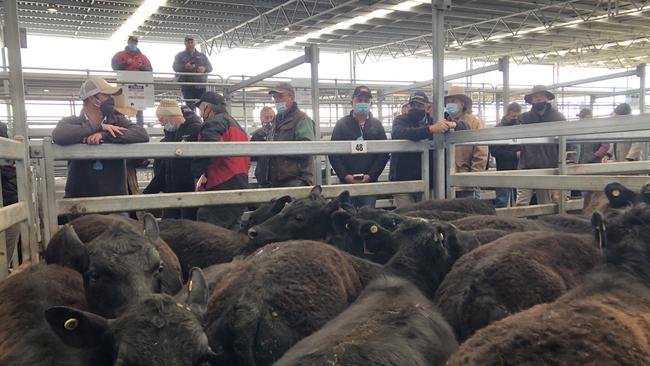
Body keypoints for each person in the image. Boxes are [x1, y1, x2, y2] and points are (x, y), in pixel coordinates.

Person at [52, 77, 149, 222]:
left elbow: (141, 134)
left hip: (115, 199)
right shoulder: (71, 122)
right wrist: (98, 126)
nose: (110, 99)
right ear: (93, 98)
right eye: (106, 95)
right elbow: (59, 135)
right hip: (80, 200)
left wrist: (104, 136)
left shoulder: (118, 120)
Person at [191, 92, 250, 229]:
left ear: (207, 107)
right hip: (240, 181)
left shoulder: (213, 122)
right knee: (233, 230)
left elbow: (207, 148)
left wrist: (198, 173)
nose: (200, 114)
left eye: (200, 109)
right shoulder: (235, 124)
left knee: (210, 228)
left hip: (221, 181)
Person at [389, 91, 458, 208]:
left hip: (428, 181)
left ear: (427, 107)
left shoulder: (435, 122)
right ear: (408, 106)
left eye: (420, 106)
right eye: (413, 105)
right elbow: (399, 133)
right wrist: (430, 129)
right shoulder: (401, 120)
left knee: (427, 215)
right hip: (403, 180)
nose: (415, 108)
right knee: (407, 216)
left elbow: (465, 127)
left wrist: (452, 125)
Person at [328, 86, 389, 208]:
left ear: (371, 103)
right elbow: (333, 154)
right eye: (359, 100)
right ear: (352, 102)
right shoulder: (342, 124)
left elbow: (383, 154)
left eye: (366, 101)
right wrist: (345, 176)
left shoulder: (377, 125)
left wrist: (371, 176)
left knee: (367, 215)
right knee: (347, 216)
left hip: (369, 183)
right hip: (347, 183)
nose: (363, 104)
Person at [143, 99, 202, 220]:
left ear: (171, 115)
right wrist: (146, 194)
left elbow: (201, 161)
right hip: (171, 193)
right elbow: (165, 167)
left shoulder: (195, 130)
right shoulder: (169, 136)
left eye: (162, 119)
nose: (162, 124)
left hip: (189, 193)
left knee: (188, 227)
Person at [516, 85, 565, 206]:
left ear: (547, 98)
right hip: (527, 165)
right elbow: (513, 135)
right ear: (531, 100)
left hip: (547, 166)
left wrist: (564, 163)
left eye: (541, 96)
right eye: (535, 97)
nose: (538, 99)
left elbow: (566, 141)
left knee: (545, 204)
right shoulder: (524, 118)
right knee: (521, 203)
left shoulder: (557, 118)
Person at [266, 82, 316, 187]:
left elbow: (307, 148)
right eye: (275, 97)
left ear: (292, 98)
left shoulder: (302, 119)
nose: (277, 100)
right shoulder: (276, 121)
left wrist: (279, 149)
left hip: (296, 179)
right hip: (277, 179)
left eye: (280, 96)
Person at [444, 86, 488, 199]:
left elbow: (481, 152)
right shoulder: (444, 122)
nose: (449, 104)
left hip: (466, 182)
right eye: (448, 102)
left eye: (453, 101)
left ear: (462, 104)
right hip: (446, 181)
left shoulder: (475, 123)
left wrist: (473, 179)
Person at [111, 35, 152, 127]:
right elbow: (114, 67)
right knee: (122, 105)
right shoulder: (119, 55)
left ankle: (140, 127)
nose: (133, 44)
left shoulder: (143, 57)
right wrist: (125, 63)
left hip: (138, 86)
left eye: (134, 43)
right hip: (124, 85)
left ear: (137, 44)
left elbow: (150, 70)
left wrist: (142, 67)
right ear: (128, 43)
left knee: (139, 107)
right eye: (131, 43)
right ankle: (121, 125)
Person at [490, 102, 522, 207]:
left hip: (519, 169)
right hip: (504, 169)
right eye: (513, 116)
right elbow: (494, 151)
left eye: (518, 116)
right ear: (508, 113)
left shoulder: (521, 128)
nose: (515, 118)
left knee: (519, 198)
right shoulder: (499, 129)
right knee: (502, 199)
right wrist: (514, 154)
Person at [173, 35, 213, 110]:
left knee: (204, 107)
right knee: (190, 108)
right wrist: (185, 67)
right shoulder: (179, 56)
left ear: (195, 43)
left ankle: (206, 121)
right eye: (188, 43)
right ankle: (193, 121)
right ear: (185, 44)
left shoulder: (202, 56)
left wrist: (204, 69)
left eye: (192, 42)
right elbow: (175, 67)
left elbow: (210, 68)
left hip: (201, 86)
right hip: (187, 86)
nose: (190, 44)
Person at [250, 106, 275, 187]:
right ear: (261, 118)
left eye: (271, 117)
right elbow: (252, 156)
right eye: (266, 117)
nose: (269, 120)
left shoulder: (279, 132)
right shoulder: (257, 134)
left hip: (278, 174)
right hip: (262, 175)